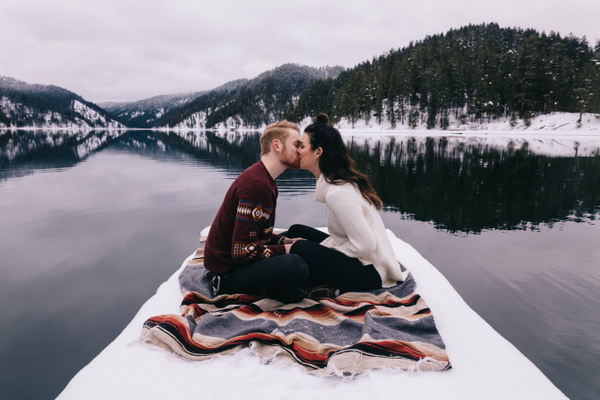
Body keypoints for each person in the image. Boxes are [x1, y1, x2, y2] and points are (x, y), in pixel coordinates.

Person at [285, 113, 409, 293]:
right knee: (297, 231)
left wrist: (327, 250)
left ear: (318, 152)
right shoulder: (337, 182)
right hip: (361, 260)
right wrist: (326, 249)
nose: (298, 150)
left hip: (371, 273)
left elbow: (366, 245)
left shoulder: (338, 193)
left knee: (300, 246)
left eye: (302, 146)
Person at [204, 120, 308, 303]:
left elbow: (260, 236)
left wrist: (285, 241)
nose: (300, 150)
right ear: (276, 145)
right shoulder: (256, 186)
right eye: (296, 144)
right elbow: (243, 253)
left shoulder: (267, 181)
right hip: (227, 271)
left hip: (238, 260)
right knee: (296, 265)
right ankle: (228, 286)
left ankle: (275, 286)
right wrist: (286, 250)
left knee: (298, 233)